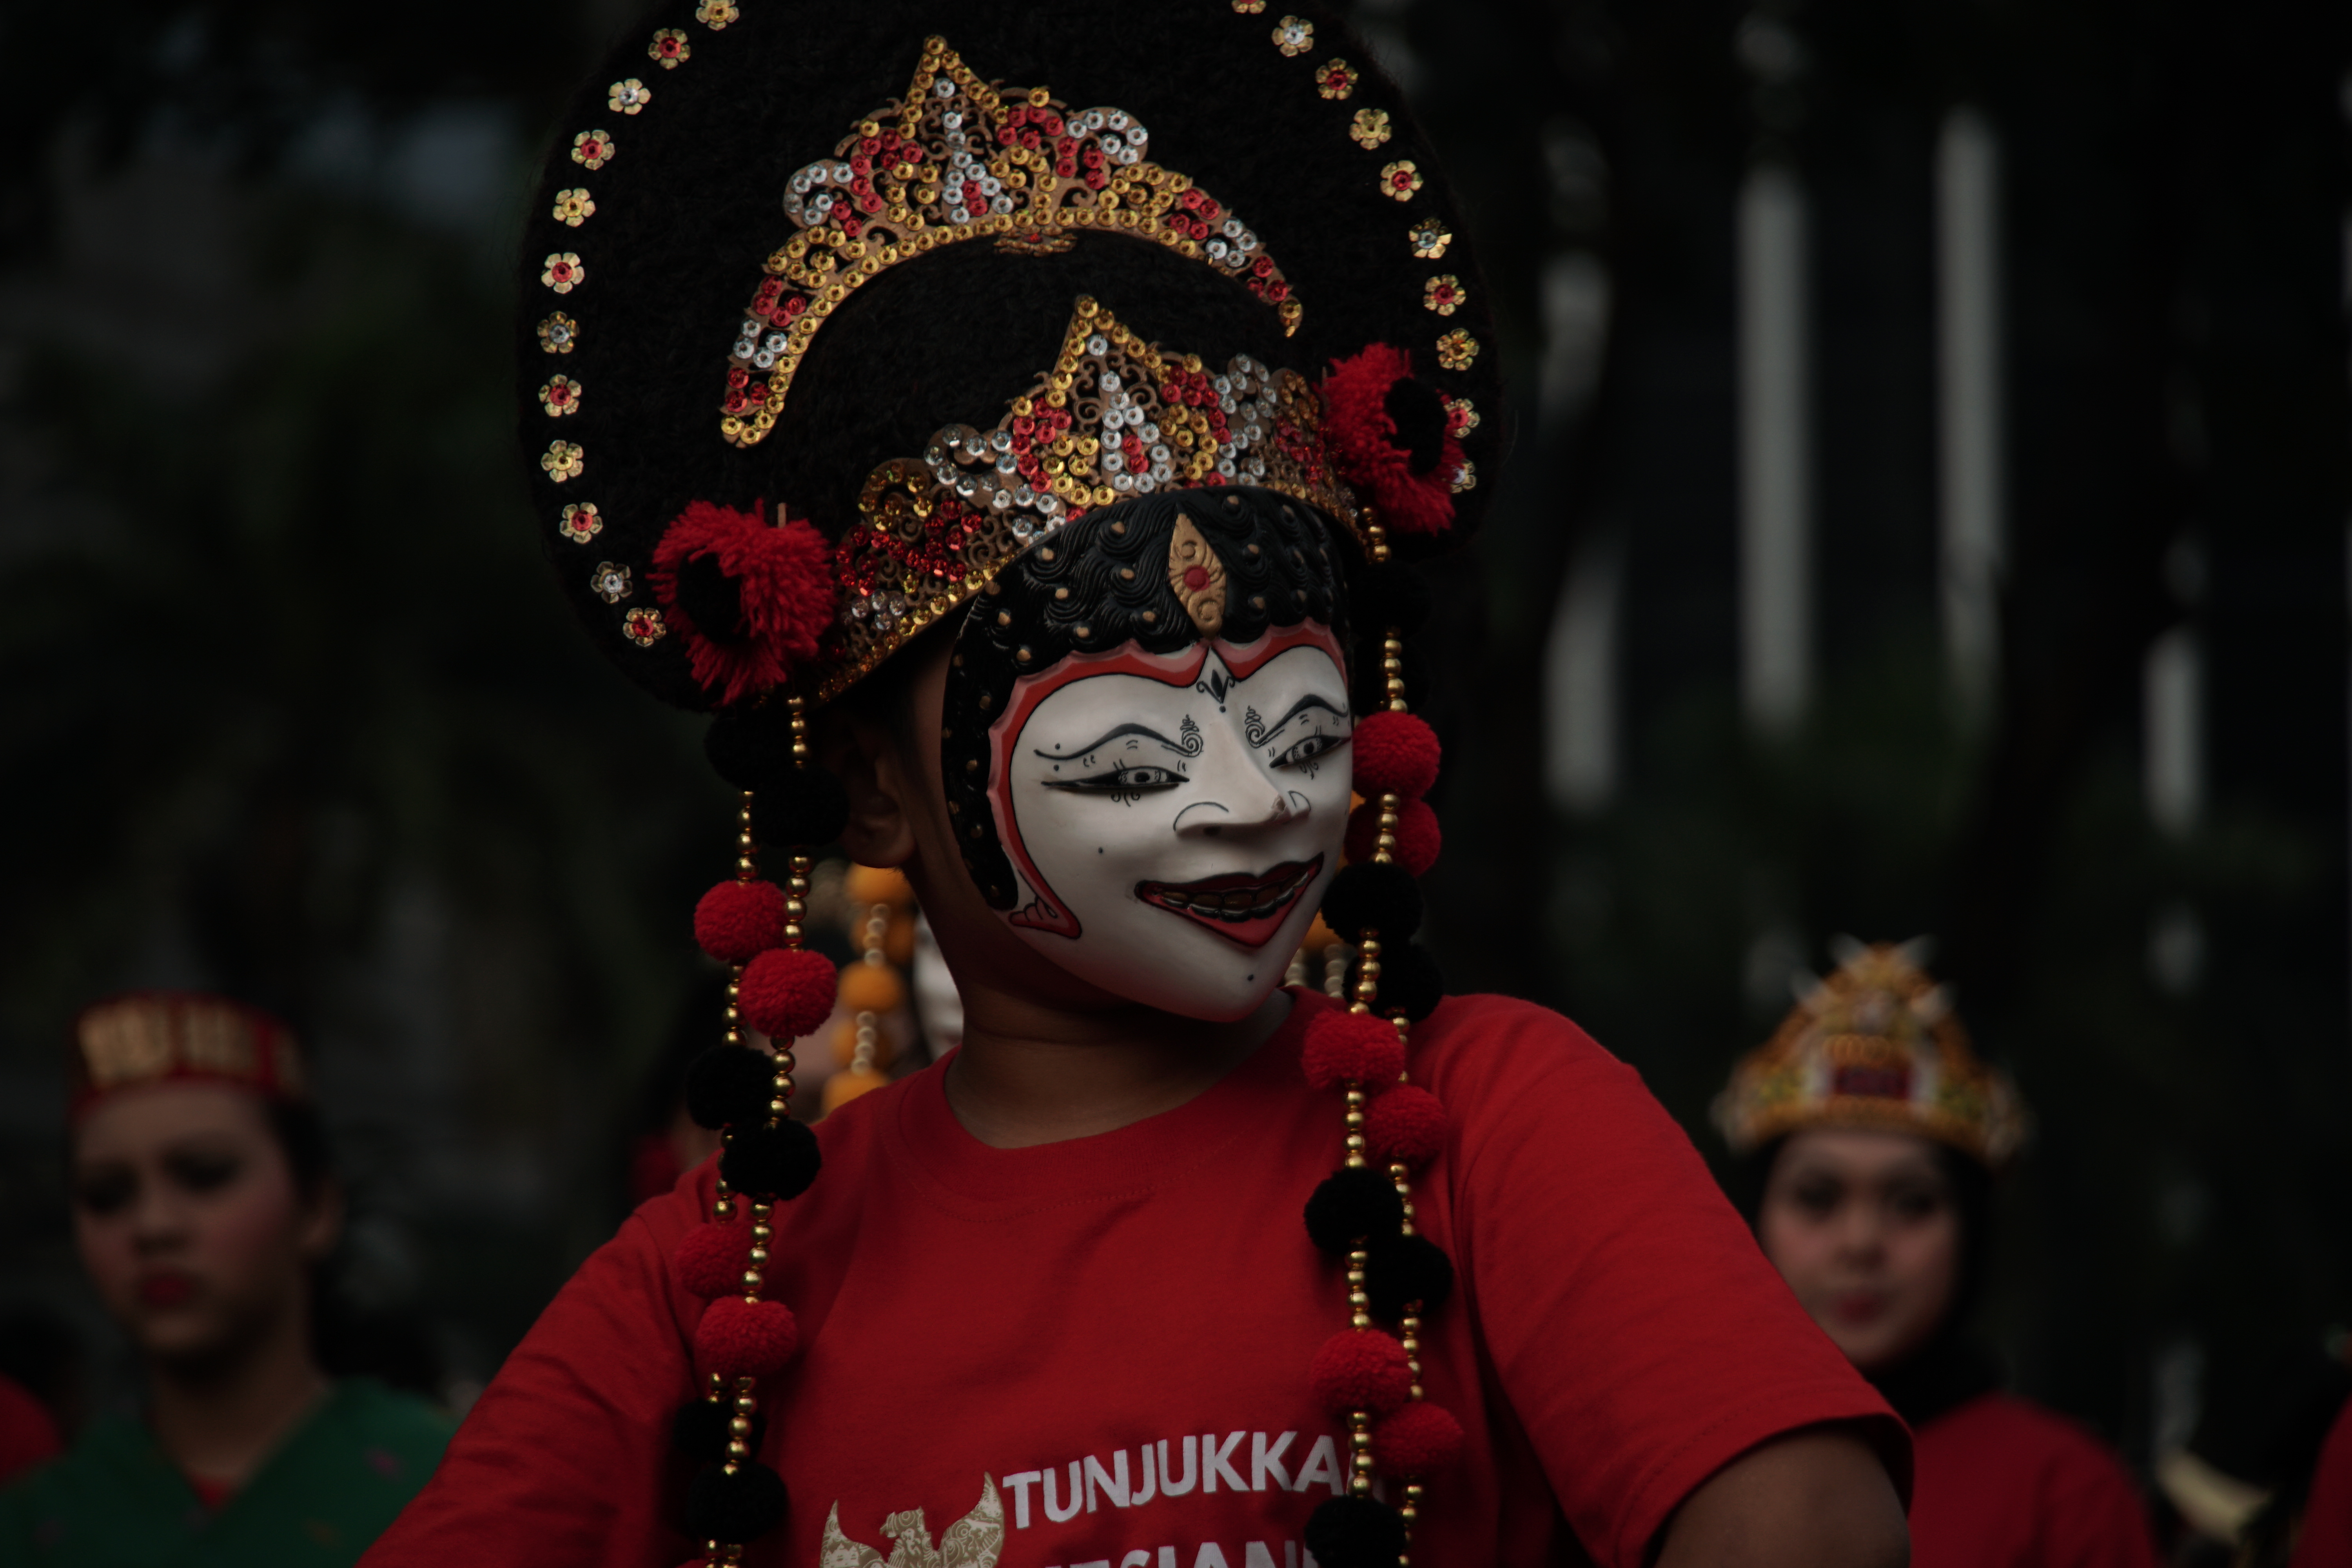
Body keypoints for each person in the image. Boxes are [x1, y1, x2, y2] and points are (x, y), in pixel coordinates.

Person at [361, 7, 1913, 1566]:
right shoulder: (717, 1281)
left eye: (1302, 731)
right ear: (875, 791)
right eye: (1129, 755)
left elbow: (1807, 1529)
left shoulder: (1489, 1117)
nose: (1251, 799)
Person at [1717, 939, 2163, 1568]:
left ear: (1973, 1231)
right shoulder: (1680, 1461)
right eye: (1818, 1199)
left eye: (1912, 1203)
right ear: (1750, 1220)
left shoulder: (2064, 1494)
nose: (1861, 1242)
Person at [0, 991, 452, 1566]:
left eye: (204, 1176)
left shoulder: (455, 1483)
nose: (153, 1227)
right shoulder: (33, 1526)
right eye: (107, 1196)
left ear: (317, 1208)